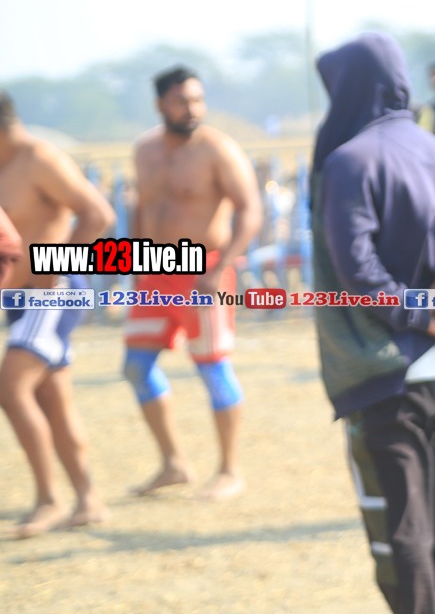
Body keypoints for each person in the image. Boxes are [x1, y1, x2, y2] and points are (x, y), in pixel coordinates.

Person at [311, 33, 435, 614]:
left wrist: (422, 314)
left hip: (385, 370)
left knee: (400, 530)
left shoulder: (349, 160)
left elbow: (359, 271)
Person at [123, 67, 263, 500]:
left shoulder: (218, 149)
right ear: (160, 104)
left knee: (213, 367)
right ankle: (174, 463)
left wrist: (220, 269)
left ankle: (229, 471)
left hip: (204, 272)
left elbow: (250, 210)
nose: (192, 109)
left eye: (197, 100)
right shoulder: (144, 150)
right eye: (182, 101)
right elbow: (142, 209)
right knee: (135, 366)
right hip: (153, 272)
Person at [0, 91, 115, 537]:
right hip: (20, 301)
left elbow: (98, 214)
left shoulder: (40, 159)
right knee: (52, 398)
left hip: (53, 293)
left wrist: (59, 267)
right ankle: (89, 500)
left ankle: (49, 500)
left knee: (11, 388)